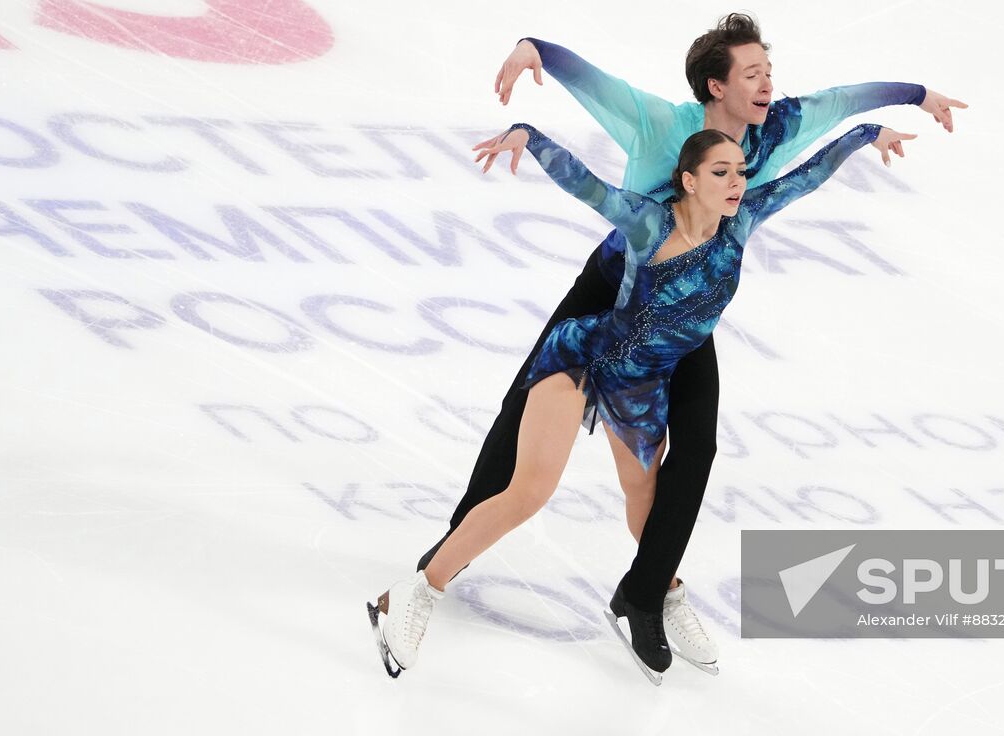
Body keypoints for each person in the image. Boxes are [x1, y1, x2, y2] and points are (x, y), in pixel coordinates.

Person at [416, 13, 967, 673]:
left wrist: (912, 95)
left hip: (683, 312)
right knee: (522, 410)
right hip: (612, 290)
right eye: (753, 73)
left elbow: (840, 105)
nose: (767, 84)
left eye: (769, 71)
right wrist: (537, 51)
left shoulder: (776, 128)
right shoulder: (662, 124)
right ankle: (458, 542)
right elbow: (599, 88)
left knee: (695, 447)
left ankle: (647, 595)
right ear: (715, 85)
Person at [371, 119, 913, 683]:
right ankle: (413, 595)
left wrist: (866, 133)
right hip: (583, 358)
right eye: (721, 172)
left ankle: (657, 592)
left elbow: (808, 177)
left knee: (646, 500)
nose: (736, 183)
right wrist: (529, 137)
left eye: (740, 172)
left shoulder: (743, 218)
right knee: (529, 492)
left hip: (641, 384)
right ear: (689, 179)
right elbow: (588, 186)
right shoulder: (651, 222)